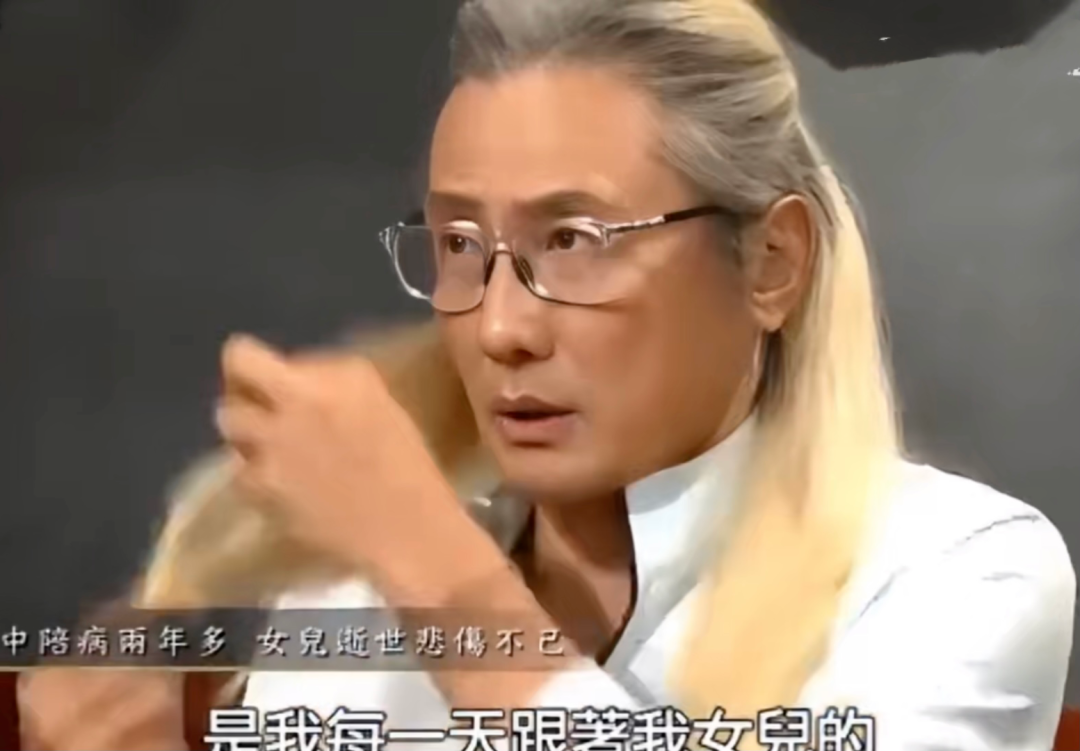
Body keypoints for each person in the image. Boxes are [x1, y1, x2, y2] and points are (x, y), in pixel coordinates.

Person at [18, 0, 1076, 748]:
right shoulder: (350, 595)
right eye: (459, 245)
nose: (499, 326)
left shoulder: (960, 572)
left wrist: (431, 565)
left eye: (574, 240)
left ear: (770, 262)